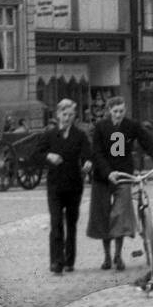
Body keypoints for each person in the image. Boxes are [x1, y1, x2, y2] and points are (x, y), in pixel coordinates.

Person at [88, 97, 153, 270]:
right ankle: (107, 256)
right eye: (115, 111)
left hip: (124, 175)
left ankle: (118, 255)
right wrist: (108, 172)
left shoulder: (131, 126)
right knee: (102, 216)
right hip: (103, 177)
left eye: (121, 111)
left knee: (120, 214)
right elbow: (97, 152)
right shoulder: (101, 127)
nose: (118, 115)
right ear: (109, 110)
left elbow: (148, 142)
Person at [34, 98, 93, 274]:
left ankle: (69, 260)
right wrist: (48, 157)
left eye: (70, 115)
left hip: (74, 185)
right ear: (58, 115)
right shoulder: (50, 135)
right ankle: (56, 261)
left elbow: (88, 154)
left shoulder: (80, 136)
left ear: (74, 116)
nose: (67, 118)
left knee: (71, 224)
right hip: (55, 186)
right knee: (56, 222)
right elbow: (35, 155)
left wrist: (88, 162)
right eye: (64, 114)